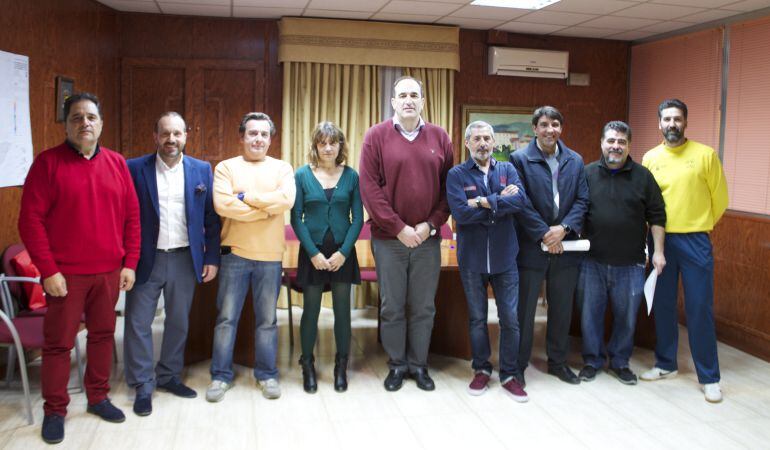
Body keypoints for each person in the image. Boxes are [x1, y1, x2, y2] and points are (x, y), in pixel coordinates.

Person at [18, 92, 140, 444]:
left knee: (103, 336)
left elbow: (132, 218)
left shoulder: (117, 163)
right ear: (66, 124)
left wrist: (129, 263)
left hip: (108, 273)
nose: (84, 123)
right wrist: (48, 270)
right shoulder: (47, 163)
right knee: (58, 345)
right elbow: (30, 222)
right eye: (76, 117)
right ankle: (55, 410)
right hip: (65, 277)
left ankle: (98, 397)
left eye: (90, 117)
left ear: (101, 123)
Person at [359, 76, 453, 392]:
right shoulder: (376, 136)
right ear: (393, 101)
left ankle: (419, 365)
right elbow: (369, 189)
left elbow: (447, 190)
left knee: (424, 306)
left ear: (423, 101)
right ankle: (397, 365)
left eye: (414, 95)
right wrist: (399, 229)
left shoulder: (440, 137)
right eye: (403, 95)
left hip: (427, 240)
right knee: (392, 306)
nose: (409, 100)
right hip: (389, 240)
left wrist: (429, 226)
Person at [124, 112, 221, 416]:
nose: (171, 140)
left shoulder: (202, 170)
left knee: (178, 321)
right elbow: (124, 217)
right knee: (138, 323)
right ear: (155, 136)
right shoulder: (134, 168)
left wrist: (211, 257)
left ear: (185, 137)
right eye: (165, 133)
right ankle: (142, 384)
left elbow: (211, 219)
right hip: (145, 258)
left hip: (184, 257)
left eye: (177, 134)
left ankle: (168, 376)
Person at [641, 99, 728, 403]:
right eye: (667, 119)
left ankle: (709, 376)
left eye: (677, 119)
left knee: (699, 307)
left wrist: (697, 224)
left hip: (695, 241)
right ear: (659, 124)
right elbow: (648, 204)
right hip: (660, 241)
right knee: (663, 304)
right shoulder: (650, 158)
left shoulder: (706, 155)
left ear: (686, 122)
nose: (672, 124)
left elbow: (720, 201)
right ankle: (666, 364)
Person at [206, 112, 295, 402]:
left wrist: (245, 198)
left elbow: (287, 201)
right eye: (252, 133)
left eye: (264, 134)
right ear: (242, 137)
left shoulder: (283, 168)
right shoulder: (225, 168)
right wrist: (267, 209)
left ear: (271, 139)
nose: (258, 139)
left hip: (270, 257)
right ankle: (220, 376)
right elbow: (223, 206)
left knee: (267, 320)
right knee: (226, 319)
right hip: (234, 255)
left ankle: (267, 374)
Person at [577, 121, 666, 385]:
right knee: (589, 315)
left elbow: (658, 215)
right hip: (591, 262)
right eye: (611, 141)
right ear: (602, 143)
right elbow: (576, 210)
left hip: (631, 264)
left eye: (621, 142)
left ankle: (619, 362)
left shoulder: (643, 177)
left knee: (627, 318)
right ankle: (592, 361)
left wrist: (659, 252)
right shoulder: (587, 173)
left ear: (629, 145)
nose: (616, 146)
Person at [446, 121, 528, 402]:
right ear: (467, 143)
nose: (482, 143)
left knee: (510, 319)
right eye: (476, 138)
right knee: (478, 319)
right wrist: (497, 202)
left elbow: (520, 203)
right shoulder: (456, 175)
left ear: (494, 143)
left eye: (487, 138)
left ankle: (509, 374)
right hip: (472, 259)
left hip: (506, 258)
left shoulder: (508, 169)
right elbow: (460, 214)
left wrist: (481, 201)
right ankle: (481, 370)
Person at [510, 105, 589, 386]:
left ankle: (557, 362)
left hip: (565, 247)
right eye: (544, 124)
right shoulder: (518, 159)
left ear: (561, 128)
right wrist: (545, 234)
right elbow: (519, 201)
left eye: (555, 124)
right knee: (524, 311)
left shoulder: (575, 161)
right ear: (534, 128)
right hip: (531, 247)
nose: (550, 130)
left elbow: (582, 200)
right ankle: (517, 366)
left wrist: (563, 229)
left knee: (562, 309)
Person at [291, 121, 363, 393]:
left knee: (343, 311)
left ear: (340, 146)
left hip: (343, 253)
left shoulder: (352, 176)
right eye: (323, 143)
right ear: (316, 146)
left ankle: (341, 364)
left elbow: (358, 219)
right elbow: (296, 218)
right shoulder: (301, 175)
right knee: (310, 310)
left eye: (333, 143)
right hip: (313, 253)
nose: (328, 148)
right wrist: (314, 253)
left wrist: (344, 253)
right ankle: (307, 364)